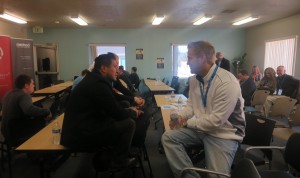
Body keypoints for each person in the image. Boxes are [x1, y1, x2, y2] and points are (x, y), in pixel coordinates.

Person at [161, 41, 245, 178]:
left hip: (223, 134)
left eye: (189, 58)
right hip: (201, 129)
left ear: (203, 58)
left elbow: (215, 121)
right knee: (168, 137)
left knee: (216, 176)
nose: (187, 62)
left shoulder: (226, 82)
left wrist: (187, 123)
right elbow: (191, 106)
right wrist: (179, 115)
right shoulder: (195, 80)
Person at [61, 54, 143, 168]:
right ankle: (119, 162)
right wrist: (132, 112)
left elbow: (111, 105)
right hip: (80, 135)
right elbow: (116, 112)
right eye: (114, 66)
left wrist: (128, 108)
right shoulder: (98, 83)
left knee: (123, 113)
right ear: (104, 68)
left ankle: (117, 152)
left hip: (81, 127)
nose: (117, 70)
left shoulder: (96, 79)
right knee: (129, 124)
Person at [1, 74, 52, 147]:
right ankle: (39, 148)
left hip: (5, 132)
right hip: (16, 134)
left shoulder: (8, 93)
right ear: (26, 85)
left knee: (36, 114)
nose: (34, 86)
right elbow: (29, 110)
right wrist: (47, 111)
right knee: (40, 120)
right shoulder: (24, 95)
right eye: (32, 83)